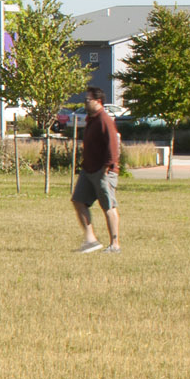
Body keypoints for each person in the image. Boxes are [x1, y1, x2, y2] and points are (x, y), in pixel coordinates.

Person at [72, 85, 122, 254]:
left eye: (88, 100)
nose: (85, 103)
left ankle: (115, 245)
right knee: (78, 201)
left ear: (98, 101)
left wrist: (106, 168)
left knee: (108, 206)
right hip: (89, 170)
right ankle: (90, 240)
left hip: (103, 172)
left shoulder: (104, 120)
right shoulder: (92, 120)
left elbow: (113, 146)